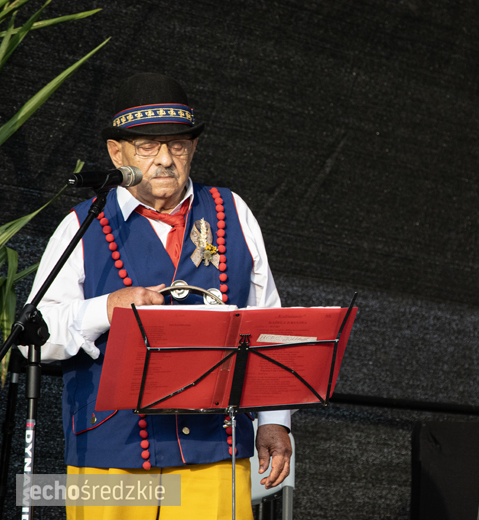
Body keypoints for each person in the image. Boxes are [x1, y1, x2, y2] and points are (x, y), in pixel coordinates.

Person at [22, 72, 291, 519]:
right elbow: (38, 337)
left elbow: (269, 325)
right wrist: (105, 308)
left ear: (193, 148)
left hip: (214, 450)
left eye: (178, 144)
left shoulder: (233, 211)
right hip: (112, 457)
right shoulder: (80, 225)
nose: (165, 159)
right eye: (147, 145)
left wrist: (275, 421)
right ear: (116, 152)